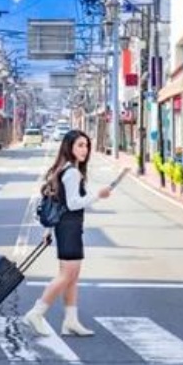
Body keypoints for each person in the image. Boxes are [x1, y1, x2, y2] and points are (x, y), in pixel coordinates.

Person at [24, 129, 111, 337]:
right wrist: (98, 195)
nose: (85, 150)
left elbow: (57, 201)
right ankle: (36, 313)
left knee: (73, 277)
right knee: (67, 275)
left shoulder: (66, 169)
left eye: (86, 145)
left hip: (67, 227)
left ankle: (71, 321)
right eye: (80, 145)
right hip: (69, 228)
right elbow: (72, 204)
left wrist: (48, 230)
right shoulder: (72, 172)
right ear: (69, 147)